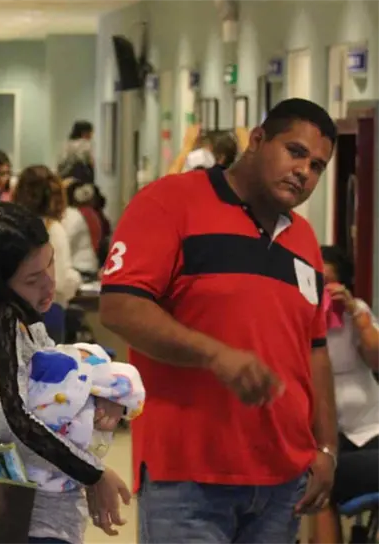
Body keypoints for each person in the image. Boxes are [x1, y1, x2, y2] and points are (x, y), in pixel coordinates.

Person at [99, 98, 339, 543]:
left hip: (282, 480)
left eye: (318, 165)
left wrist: (326, 448)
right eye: (295, 152)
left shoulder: (304, 241)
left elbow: (315, 350)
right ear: (258, 140)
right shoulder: (171, 202)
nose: (305, 171)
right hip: (188, 478)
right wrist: (214, 355)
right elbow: (120, 306)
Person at [0, 201, 131, 543]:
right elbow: (7, 419)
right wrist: (92, 473)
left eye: (50, 263)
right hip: (15, 514)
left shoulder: (13, 314)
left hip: (32, 511)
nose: (48, 284)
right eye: (31, 278)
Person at [310, 245, 379, 544]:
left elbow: (376, 359)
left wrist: (353, 311)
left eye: (329, 283)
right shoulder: (297, 316)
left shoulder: (357, 312)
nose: (322, 290)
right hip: (328, 439)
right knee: (320, 486)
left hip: (371, 428)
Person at [25, 343, 144, 491]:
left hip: (71, 468)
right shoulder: (53, 360)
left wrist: (108, 393)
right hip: (36, 455)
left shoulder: (105, 376)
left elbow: (129, 380)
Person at [11, 165, 82, 311]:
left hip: (16, 311)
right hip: (48, 312)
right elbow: (62, 282)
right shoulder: (54, 230)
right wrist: (76, 279)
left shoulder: (11, 226)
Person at [56, 121, 95, 185]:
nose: (92, 135)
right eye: (91, 132)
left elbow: (60, 163)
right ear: (85, 133)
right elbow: (91, 163)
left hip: (64, 179)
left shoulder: (66, 144)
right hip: (81, 180)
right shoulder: (86, 144)